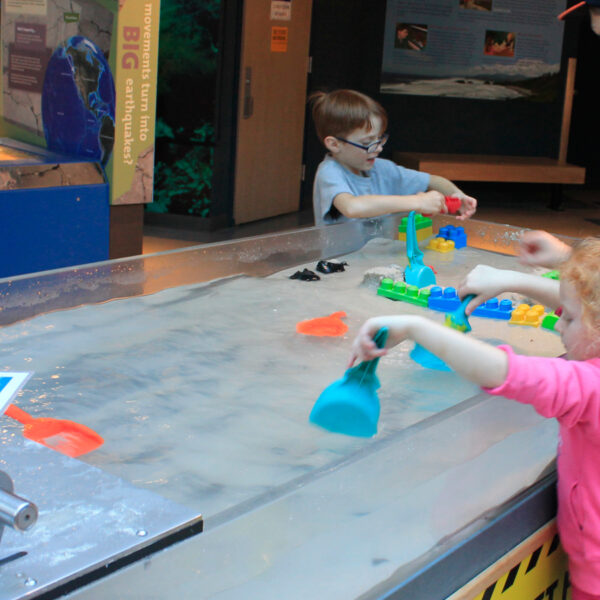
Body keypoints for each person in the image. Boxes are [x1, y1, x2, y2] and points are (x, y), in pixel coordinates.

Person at [350, 236, 600, 600]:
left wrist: (418, 328)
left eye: (569, 318)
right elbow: (587, 309)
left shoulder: (590, 387)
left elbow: (506, 373)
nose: (558, 326)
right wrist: (516, 278)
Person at [310, 89, 477, 226]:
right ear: (334, 144)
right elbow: (352, 207)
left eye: (379, 139)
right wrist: (417, 202)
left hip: (375, 256)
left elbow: (432, 180)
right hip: (341, 262)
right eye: (368, 142)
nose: (379, 148)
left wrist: (457, 194)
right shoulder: (330, 172)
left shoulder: (382, 168)